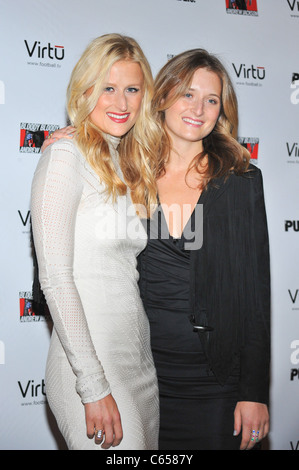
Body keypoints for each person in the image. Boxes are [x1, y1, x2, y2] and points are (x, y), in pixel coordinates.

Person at [42, 48, 271, 451]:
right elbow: (60, 264)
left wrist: (253, 390)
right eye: (187, 94)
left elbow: (254, 293)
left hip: (213, 379)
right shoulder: (127, 168)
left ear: (222, 111)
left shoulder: (241, 180)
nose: (198, 108)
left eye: (212, 99)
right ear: (162, 97)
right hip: (140, 367)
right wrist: (68, 145)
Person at [30, 33, 160, 451]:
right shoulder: (66, 155)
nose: (121, 103)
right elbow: (55, 278)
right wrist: (92, 385)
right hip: (88, 365)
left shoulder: (126, 162)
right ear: (85, 90)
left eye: (132, 89)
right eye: (108, 88)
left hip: (137, 361)